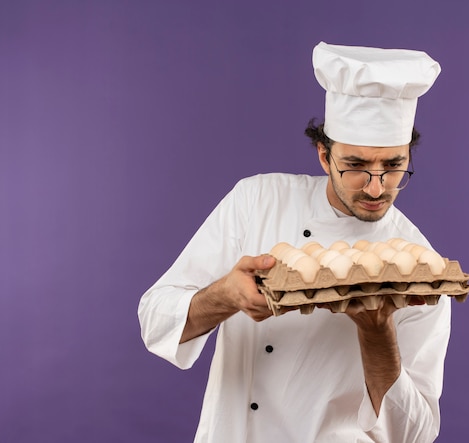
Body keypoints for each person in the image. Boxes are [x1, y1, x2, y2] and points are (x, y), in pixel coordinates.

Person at [138, 41, 450, 443]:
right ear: (324, 155)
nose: (377, 188)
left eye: (393, 166)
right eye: (355, 166)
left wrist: (377, 334)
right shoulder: (257, 201)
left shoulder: (418, 269)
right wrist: (224, 297)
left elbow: (414, 434)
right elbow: (154, 320)